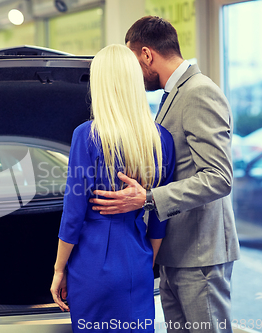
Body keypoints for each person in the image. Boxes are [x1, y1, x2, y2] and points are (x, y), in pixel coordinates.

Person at [89, 16, 240, 333]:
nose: (133, 75)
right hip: (176, 251)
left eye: (133, 63)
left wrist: (147, 198)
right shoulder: (172, 96)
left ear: (146, 54)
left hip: (200, 254)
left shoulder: (198, 92)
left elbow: (219, 177)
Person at [50, 44, 175, 332]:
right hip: (137, 257)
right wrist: (146, 260)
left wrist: (59, 270)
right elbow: (160, 215)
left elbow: (73, 214)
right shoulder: (161, 139)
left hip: (92, 264)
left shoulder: (87, 136)